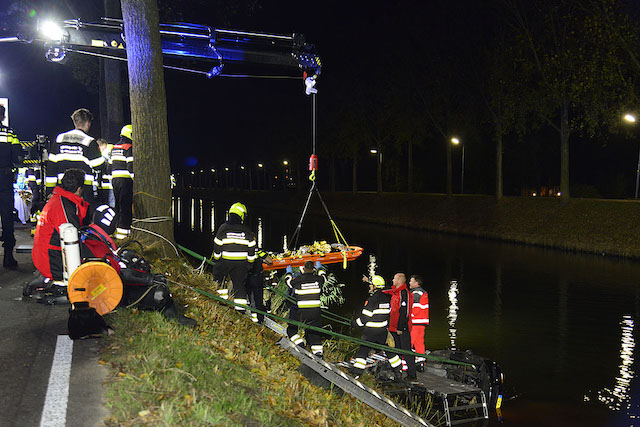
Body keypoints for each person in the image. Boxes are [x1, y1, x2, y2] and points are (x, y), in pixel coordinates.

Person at [80, 204, 197, 327]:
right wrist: (149, 279)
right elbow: (118, 275)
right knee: (159, 291)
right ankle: (173, 318)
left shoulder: (92, 237)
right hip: (109, 292)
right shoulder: (97, 247)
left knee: (154, 278)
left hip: (103, 287)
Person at [32, 168, 89, 284]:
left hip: (46, 257)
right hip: (52, 263)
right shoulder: (64, 206)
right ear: (78, 189)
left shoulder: (59, 199)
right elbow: (74, 237)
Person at [45, 108, 106, 213]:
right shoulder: (89, 141)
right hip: (84, 190)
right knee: (83, 218)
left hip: (62, 189)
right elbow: (99, 166)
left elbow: (51, 167)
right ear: (87, 123)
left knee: (65, 217)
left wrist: (49, 191)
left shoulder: (60, 139)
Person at [212, 202, 256, 311]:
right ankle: (240, 310)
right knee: (239, 285)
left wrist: (217, 259)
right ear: (242, 216)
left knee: (219, 278)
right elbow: (252, 249)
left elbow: (217, 245)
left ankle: (221, 303)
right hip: (241, 263)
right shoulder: (247, 230)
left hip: (225, 260)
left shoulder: (223, 228)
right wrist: (249, 264)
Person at [349, 274, 392, 376]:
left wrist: (355, 324)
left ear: (375, 286)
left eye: (371, 285)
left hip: (371, 331)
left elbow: (365, 317)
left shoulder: (372, 300)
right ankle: (398, 369)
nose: (370, 286)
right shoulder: (387, 298)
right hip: (382, 330)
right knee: (389, 351)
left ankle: (357, 372)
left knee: (362, 351)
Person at [285, 260, 326, 358]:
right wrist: (320, 269)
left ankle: (300, 345)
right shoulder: (319, 280)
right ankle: (318, 354)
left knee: (291, 330)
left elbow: (288, 282)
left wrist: (289, 272)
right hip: (315, 311)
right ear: (313, 269)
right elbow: (324, 278)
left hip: (302, 311)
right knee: (314, 333)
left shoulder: (298, 280)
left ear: (303, 268)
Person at [384, 272, 416, 379]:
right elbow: (383, 290)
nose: (392, 280)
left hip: (401, 328)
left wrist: (400, 328)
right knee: (394, 349)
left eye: (394, 279)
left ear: (399, 280)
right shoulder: (395, 292)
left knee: (406, 351)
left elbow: (405, 312)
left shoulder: (404, 293)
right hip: (393, 327)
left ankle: (412, 374)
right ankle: (397, 372)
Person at [0, 104, 21, 268]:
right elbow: (18, 156)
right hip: (5, 179)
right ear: (3, 116)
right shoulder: (10, 133)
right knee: (7, 219)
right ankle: (8, 257)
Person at [110, 125, 133, 240]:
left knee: (118, 206)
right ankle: (124, 235)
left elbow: (110, 165)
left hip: (115, 180)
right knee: (126, 207)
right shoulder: (128, 147)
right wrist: (135, 180)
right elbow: (131, 166)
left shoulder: (114, 147)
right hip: (125, 181)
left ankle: (117, 230)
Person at [246, 248, 273, 323]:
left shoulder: (244, 250)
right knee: (258, 299)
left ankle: (253, 317)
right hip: (257, 278)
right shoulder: (259, 252)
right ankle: (260, 319)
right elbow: (270, 261)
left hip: (247, 277)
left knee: (251, 298)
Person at [409, 274, 429, 361]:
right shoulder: (423, 292)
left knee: (408, 342)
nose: (409, 282)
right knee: (419, 342)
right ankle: (420, 359)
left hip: (415, 322)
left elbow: (415, 309)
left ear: (416, 283)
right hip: (422, 323)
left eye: (411, 281)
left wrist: (408, 317)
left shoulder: (416, 293)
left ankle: (405, 362)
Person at [96, 138, 115, 208]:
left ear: (103, 145)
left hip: (108, 181)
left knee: (110, 199)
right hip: (109, 181)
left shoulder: (105, 154)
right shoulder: (112, 151)